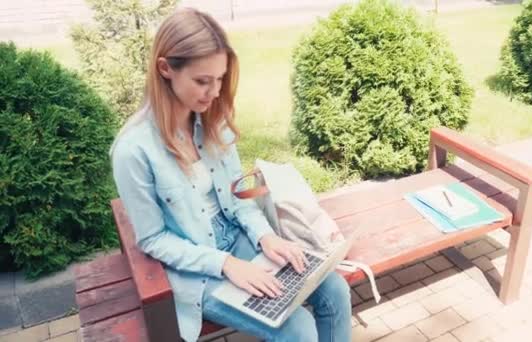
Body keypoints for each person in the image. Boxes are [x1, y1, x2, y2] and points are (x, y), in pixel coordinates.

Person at [110, 8, 352, 342]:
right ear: (165, 69)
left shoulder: (213, 120)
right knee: (298, 330)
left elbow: (241, 197)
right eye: (202, 81)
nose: (214, 92)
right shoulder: (133, 150)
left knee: (335, 290)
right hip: (196, 267)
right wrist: (226, 264)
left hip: (238, 236)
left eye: (220, 79)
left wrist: (266, 237)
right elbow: (153, 239)